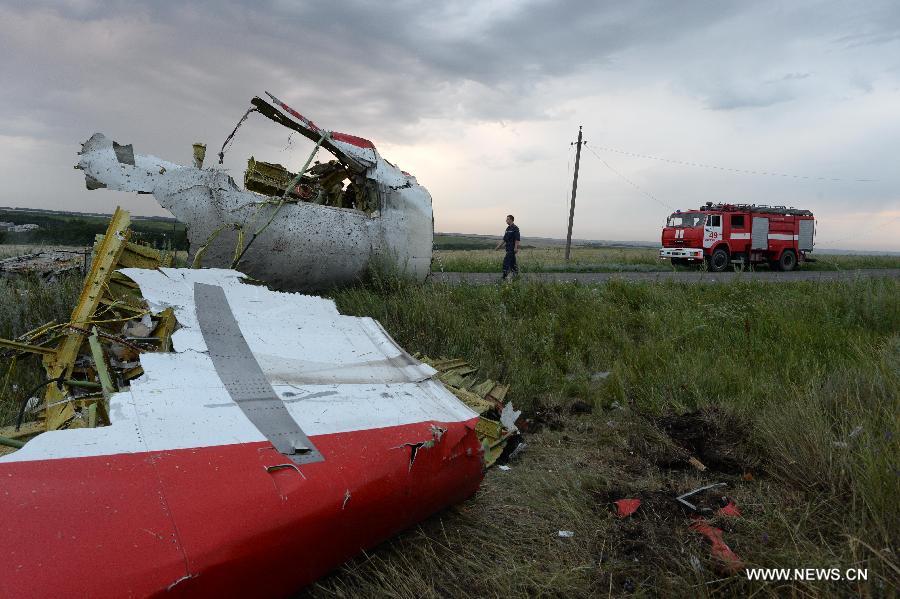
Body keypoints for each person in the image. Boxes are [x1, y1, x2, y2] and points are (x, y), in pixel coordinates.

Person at [494, 214, 520, 280]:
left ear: (511, 220)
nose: (506, 220)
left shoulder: (515, 228)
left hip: (512, 248)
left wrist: (516, 248)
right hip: (508, 248)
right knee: (512, 263)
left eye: (507, 219)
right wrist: (499, 246)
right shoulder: (508, 228)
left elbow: (517, 239)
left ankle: (504, 276)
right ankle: (516, 276)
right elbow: (504, 239)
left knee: (506, 262)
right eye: (506, 219)